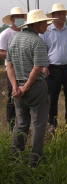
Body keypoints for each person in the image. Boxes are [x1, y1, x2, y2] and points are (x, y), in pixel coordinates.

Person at [7, 9, 56, 168]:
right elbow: (37, 68)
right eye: (45, 23)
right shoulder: (37, 42)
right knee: (38, 125)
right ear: (36, 24)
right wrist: (26, 87)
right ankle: (35, 162)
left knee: (21, 124)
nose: (47, 26)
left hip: (18, 89)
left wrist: (16, 87)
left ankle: (14, 158)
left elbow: (9, 65)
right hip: (34, 88)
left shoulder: (13, 40)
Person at [40, 3, 67, 133]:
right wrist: (44, 65)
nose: (61, 16)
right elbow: (41, 49)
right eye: (58, 14)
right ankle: (52, 124)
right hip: (52, 69)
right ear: (53, 16)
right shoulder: (46, 32)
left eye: (63, 14)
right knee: (52, 97)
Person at [0, 7, 26, 133]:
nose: (20, 19)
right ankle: (11, 125)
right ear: (11, 19)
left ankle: (23, 123)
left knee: (25, 96)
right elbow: (0, 52)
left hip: (25, 70)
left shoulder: (26, 32)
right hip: (12, 70)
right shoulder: (5, 34)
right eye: (17, 16)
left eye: (21, 16)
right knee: (12, 97)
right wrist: (14, 55)